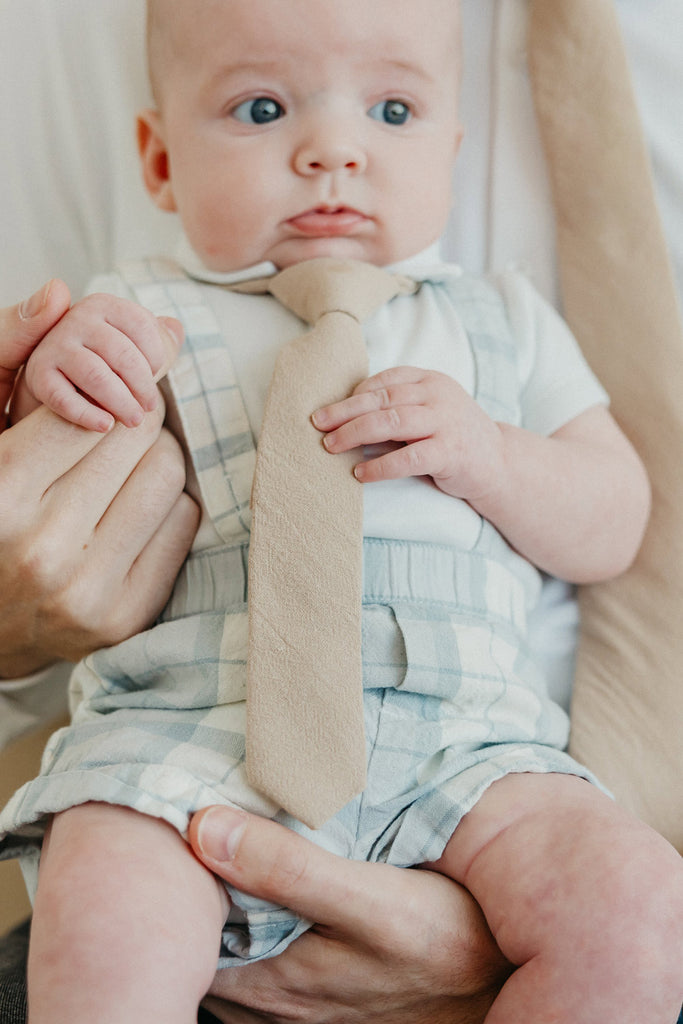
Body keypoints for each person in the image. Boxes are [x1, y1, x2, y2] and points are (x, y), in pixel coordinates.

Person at [2, 1, 682, 1023]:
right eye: (262, 106)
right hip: (185, 729)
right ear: (158, 158)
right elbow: (49, 492)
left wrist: (493, 456)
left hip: (469, 747)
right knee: (101, 919)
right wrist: (64, 375)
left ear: (451, 151)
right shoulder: (132, 314)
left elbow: (614, 516)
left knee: (634, 909)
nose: (332, 151)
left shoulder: (499, 322)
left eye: (393, 110)